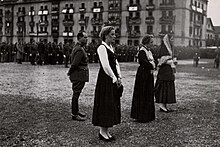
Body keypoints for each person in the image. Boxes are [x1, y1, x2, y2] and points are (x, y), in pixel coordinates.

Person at [92, 26, 123, 142]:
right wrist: (114, 77)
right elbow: (105, 65)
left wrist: (119, 76)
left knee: (111, 104)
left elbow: (116, 63)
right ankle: (102, 132)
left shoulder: (110, 47)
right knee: (105, 104)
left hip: (112, 78)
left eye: (114, 34)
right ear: (105, 35)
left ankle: (106, 130)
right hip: (106, 79)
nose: (114, 36)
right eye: (112, 34)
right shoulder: (101, 47)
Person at [130, 35, 156, 123]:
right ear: (147, 43)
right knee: (143, 93)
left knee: (148, 93)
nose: (152, 44)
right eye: (151, 42)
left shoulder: (149, 51)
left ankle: (148, 115)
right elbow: (144, 62)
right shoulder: (142, 51)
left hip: (148, 74)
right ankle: (142, 116)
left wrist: (152, 64)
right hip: (143, 74)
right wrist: (152, 65)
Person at [67, 31, 89, 121]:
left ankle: (76, 111)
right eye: (85, 37)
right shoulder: (79, 49)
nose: (86, 39)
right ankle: (74, 114)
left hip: (78, 74)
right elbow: (75, 63)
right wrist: (70, 72)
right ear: (79, 38)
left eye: (87, 37)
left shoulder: (78, 47)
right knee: (76, 94)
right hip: (79, 74)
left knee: (76, 93)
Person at [155, 34, 176, 112]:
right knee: (163, 86)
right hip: (164, 71)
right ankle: (161, 104)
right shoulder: (163, 48)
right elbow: (161, 60)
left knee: (167, 86)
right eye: (171, 39)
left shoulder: (170, 48)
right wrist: (170, 62)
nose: (173, 41)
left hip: (168, 71)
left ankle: (164, 104)